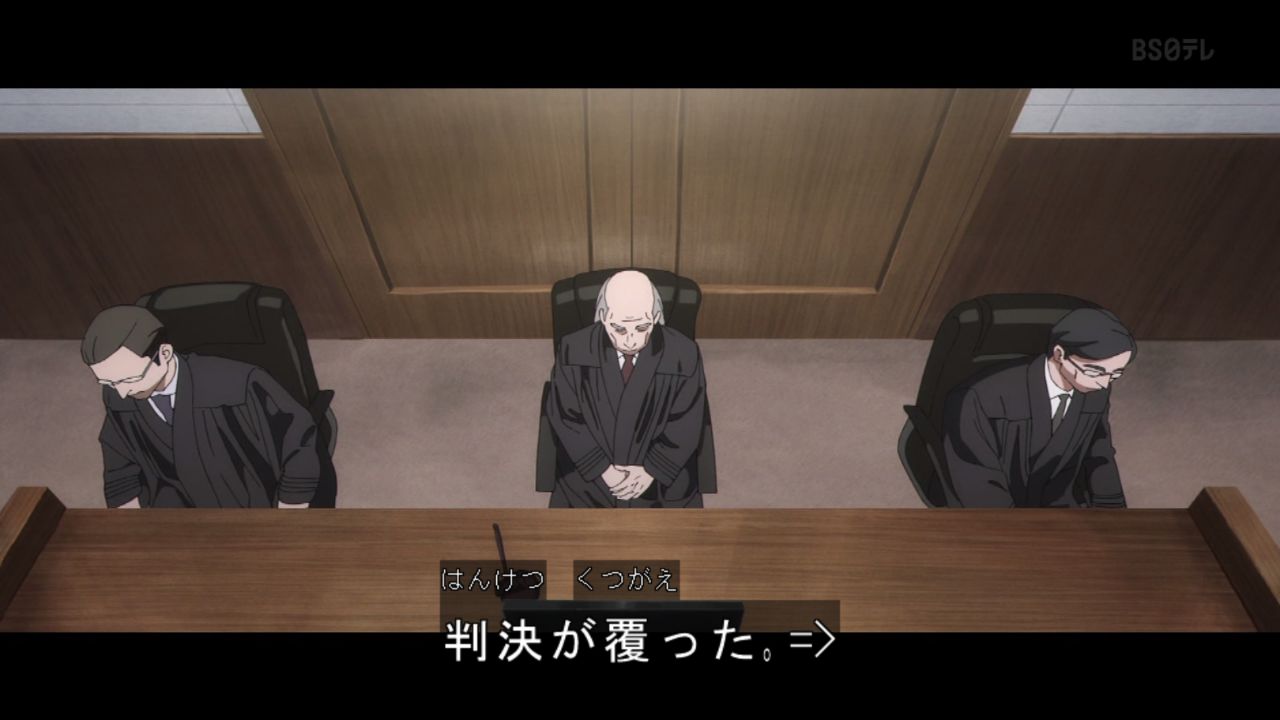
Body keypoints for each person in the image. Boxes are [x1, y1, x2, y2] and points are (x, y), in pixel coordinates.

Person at [83, 305, 319, 508]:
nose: (122, 392)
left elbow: (298, 441)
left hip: (248, 506)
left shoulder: (240, 385)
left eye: (130, 379)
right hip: (175, 518)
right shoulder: (119, 395)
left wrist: (288, 513)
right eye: (109, 382)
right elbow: (120, 469)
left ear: (164, 353)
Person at [941, 307, 1135, 508]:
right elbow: (976, 477)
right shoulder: (979, 397)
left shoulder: (1095, 392)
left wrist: (1113, 513)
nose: (1104, 383)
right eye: (1095, 371)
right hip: (999, 511)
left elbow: (1099, 455)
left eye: (1115, 374)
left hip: (1061, 507)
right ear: (1059, 354)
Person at [546, 270, 709, 508]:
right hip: (592, 475)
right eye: (619, 329)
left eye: (642, 327)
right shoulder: (573, 349)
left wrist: (652, 470)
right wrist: (602, 469)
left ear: (656, 317)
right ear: (603, 317)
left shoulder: (684, 354)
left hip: (657, 478)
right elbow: (565, 416)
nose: (631, 340)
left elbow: (688, 419)